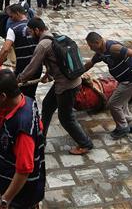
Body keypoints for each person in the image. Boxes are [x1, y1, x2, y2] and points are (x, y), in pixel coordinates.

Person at [17, 18, 93, 155]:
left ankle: (85, 143)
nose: (29, 35)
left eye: (30, 32)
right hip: (70, 80)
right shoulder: (53, 36)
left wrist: (19, 79)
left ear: (37, 30)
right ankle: (41, 139)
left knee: (66, 118)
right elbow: (56, 60)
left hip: (66, 86)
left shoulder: (42, 45)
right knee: (47, 105)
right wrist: (48, 74)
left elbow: (32, 68)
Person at [0, 69, 46, 209]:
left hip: (20, 197)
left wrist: (5, 200)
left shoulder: (21, 128)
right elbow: (40, 128)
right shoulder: (28, 101)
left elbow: (24, 170)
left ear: (3, 96)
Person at [83, 32, 132, 138]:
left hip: (131, 79)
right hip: (125, 80)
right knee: (122, 103)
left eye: (91, 46)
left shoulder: (112, 48)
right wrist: (77, 73)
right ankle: (131, 125)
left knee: (113, 104)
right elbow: (90, 63)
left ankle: (122, 128)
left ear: (98, 42)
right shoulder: (100, 52)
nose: (90, 48)